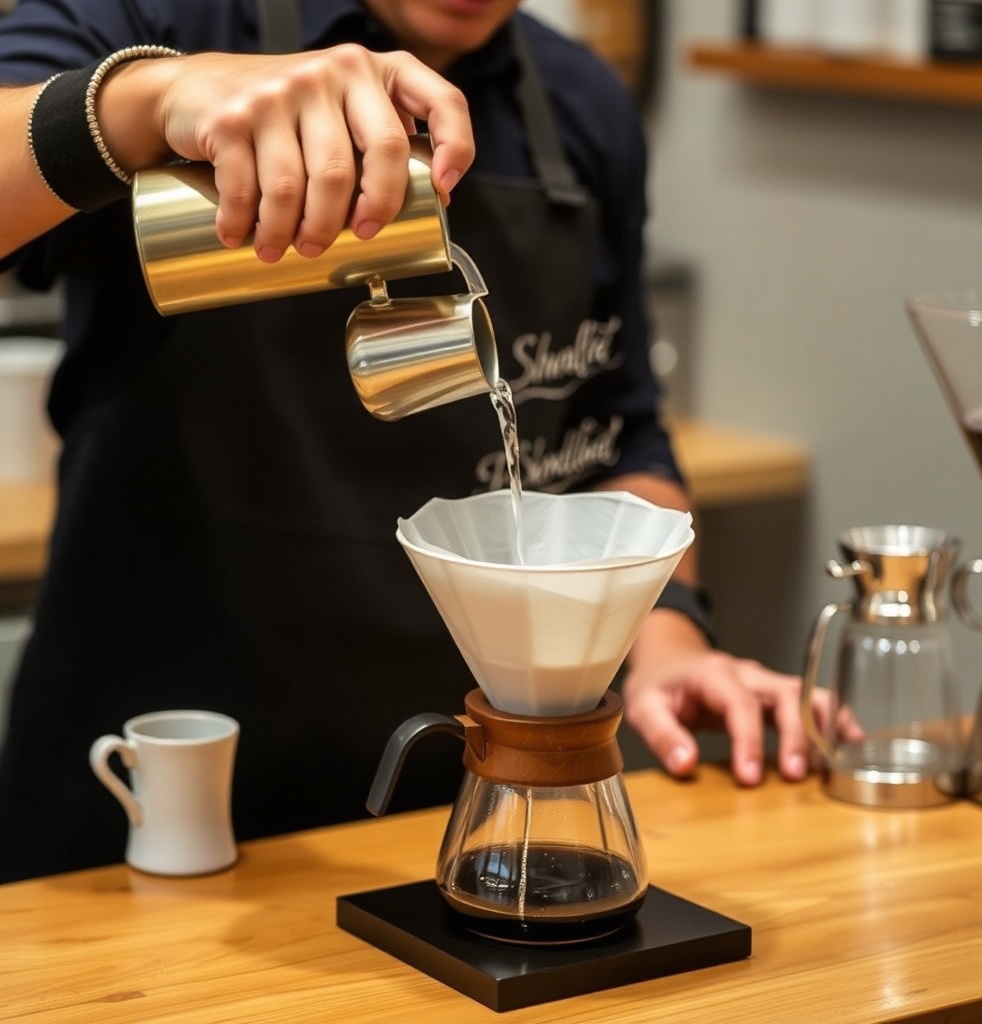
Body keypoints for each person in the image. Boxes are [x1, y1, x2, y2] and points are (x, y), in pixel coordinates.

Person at [0, 0, 830, 884]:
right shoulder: (158, 11)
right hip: (154, 810)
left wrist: (667, 640)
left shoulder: (583, 100)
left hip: (467, 811)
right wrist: (153, 96)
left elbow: (617, 431)